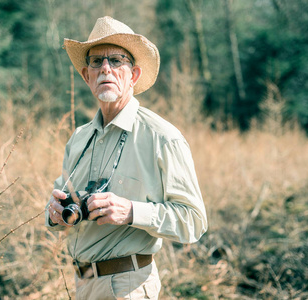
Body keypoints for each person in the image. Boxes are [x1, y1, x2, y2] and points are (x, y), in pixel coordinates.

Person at [45, 16, 208, 300]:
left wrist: (131, 212)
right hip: (81, 284)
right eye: (96, 62)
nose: (105, 68)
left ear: (133, 75)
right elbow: (61, 199)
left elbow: (193, 221)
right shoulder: (78, 139)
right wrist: (54, 212)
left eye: (116, 60)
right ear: (87, 76)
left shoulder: (163, 137)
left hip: (128, 287)